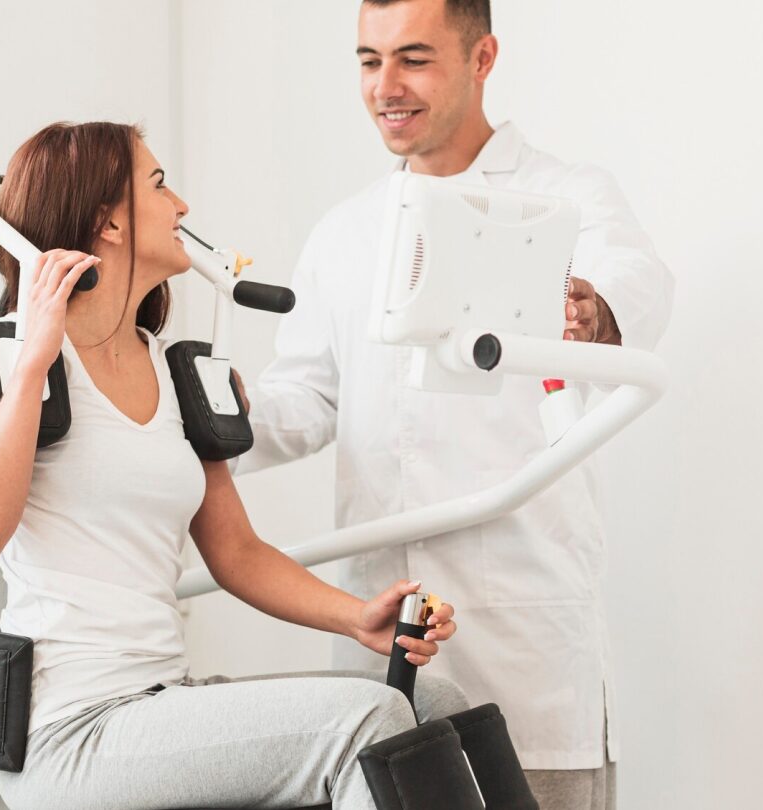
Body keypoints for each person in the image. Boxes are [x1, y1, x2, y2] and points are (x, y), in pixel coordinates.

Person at [0, 121, 469, 810]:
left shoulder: (175, 372)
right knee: (367, 721)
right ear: (109, 223)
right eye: (159, 186)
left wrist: (356, 618)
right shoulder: (3, 356)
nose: (182, 206)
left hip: (162, 701)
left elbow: (237, 552)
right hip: (69, 731)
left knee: (438, 705)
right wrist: (38, 357)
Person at [233, 2, 675, 808]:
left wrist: (592, 307)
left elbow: (635, 283)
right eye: (369, 61)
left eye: (414, 59)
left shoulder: (563, 196)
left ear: (482, 58)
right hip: (381, 638)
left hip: (524, 638)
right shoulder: (345, 232)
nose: (385, 87)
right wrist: (206, 417)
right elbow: (304, 400)